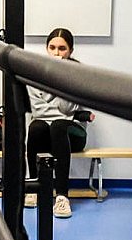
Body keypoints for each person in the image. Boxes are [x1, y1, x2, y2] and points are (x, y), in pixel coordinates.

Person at [25, 28, 93, 219]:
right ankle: (33, 187)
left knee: (58, 126)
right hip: (48, 131)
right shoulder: (34, 74)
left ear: (70, 51)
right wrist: (61, 112)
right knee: (36, 126)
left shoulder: (76, 74)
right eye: (52, 47)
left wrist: (61, 77)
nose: (56, 53)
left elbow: (65, 108)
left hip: (73, 134)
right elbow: (38, 110)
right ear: (46, 49)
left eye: (62, 48)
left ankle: (62, 196)